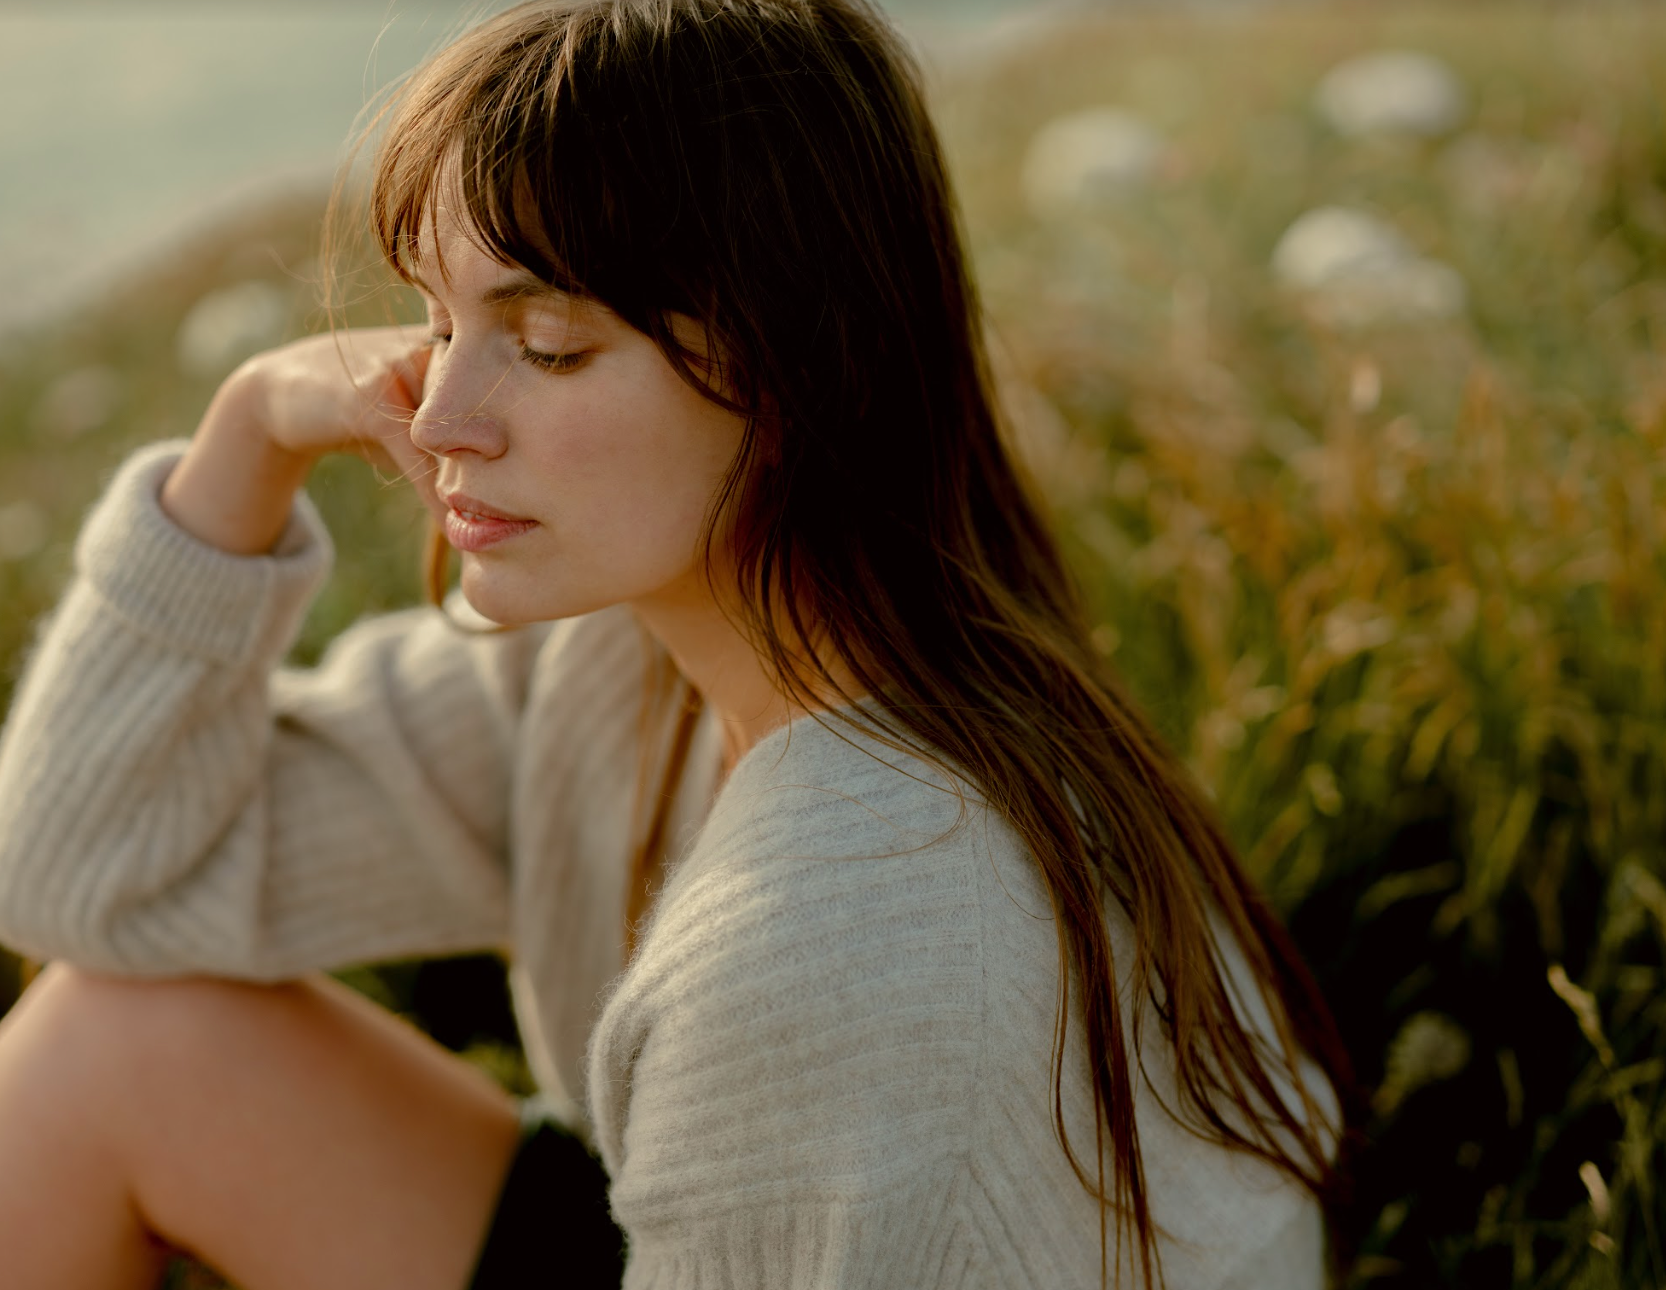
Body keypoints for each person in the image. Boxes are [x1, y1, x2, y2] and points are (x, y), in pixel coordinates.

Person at [0, 1, 1358, 1286]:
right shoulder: (611, 664)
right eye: (434, 322)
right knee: (113, 1040)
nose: (436, 416)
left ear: (794, 364)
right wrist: (249, 432)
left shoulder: (844, 919)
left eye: (544, 344)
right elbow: (78, 874)